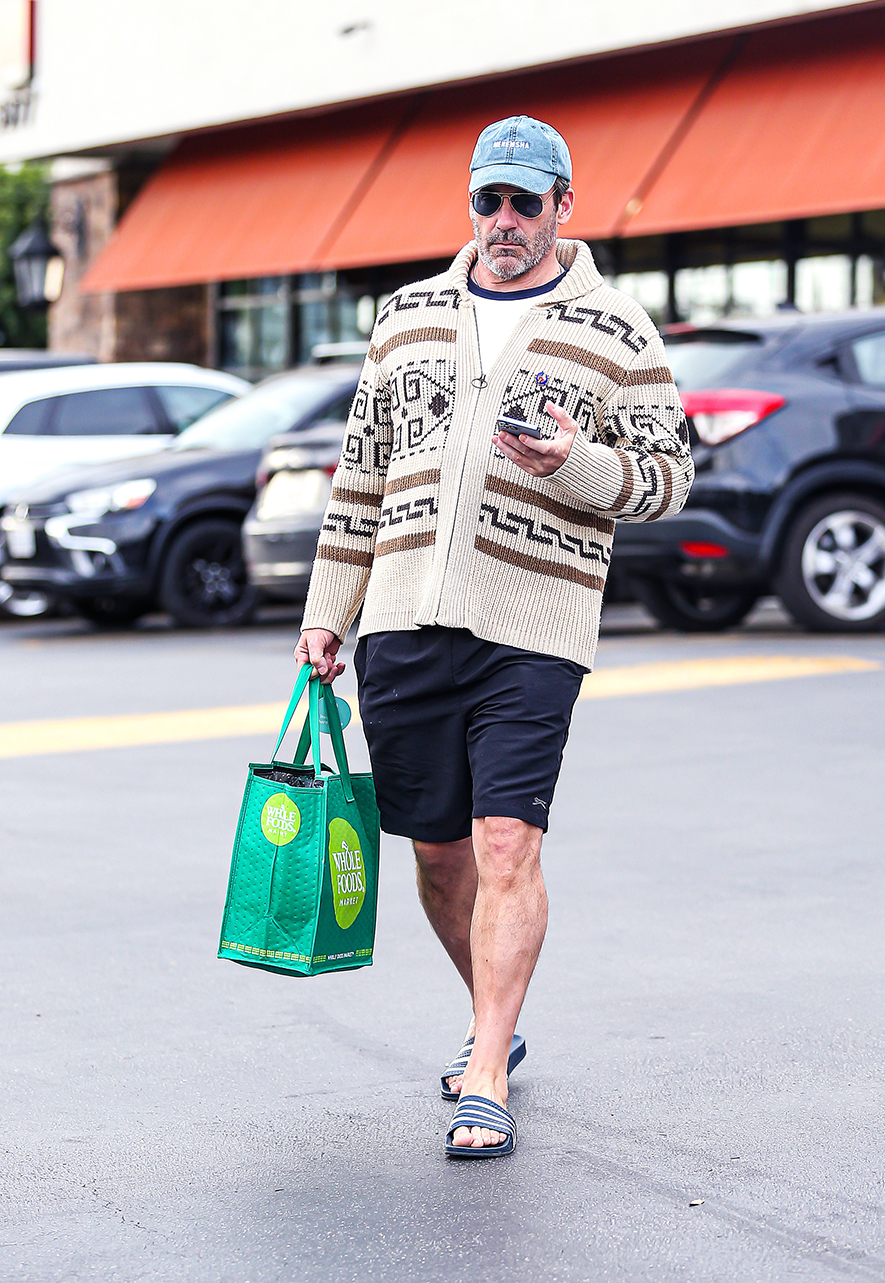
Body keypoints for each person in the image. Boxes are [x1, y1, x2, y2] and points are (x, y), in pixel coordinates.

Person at [294, 115, 693, 1157]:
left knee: (505, 840)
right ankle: (496, 1022)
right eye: (489, 200)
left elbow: (667, 476)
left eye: (526, 200)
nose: (506, 220)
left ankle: (484, 1074)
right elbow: (360, 478)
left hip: (535, 625)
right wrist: (326, 613)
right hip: (403, 619)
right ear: (468, 203)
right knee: (436, 854)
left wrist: (575, 461)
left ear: (566, 202)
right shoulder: (406, 315)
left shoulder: (615, 328)